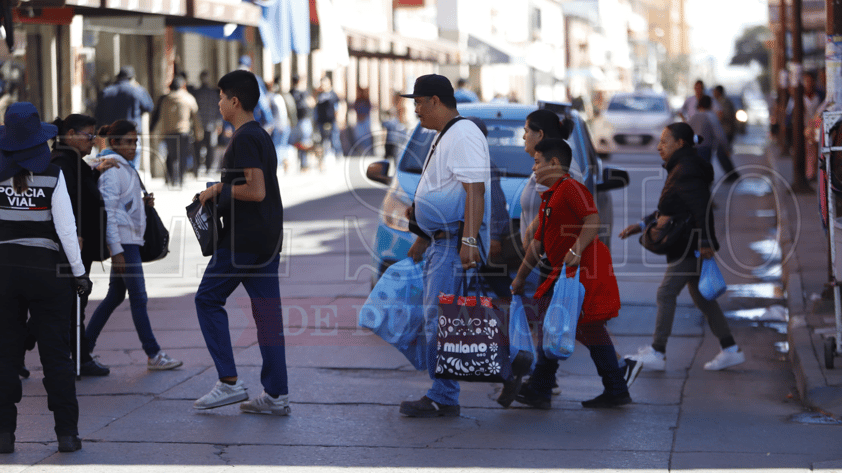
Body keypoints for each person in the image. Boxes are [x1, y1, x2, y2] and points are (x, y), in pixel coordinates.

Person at [192, 70, 290, 416]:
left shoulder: (245, 139)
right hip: (265, 238)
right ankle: (276, 395)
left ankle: (229, 382)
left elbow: (256, 190)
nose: (217, 103)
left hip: (244, 240)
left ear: (235, 101)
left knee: (207, 299)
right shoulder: (259, 135)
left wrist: (217, 190)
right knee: (267, 315)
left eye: (220, 97)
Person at [509, 138, 629, 409]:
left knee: (561, 326)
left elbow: (593, 220)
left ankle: (542, 387)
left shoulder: (570, 188)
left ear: (554, 163)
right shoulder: (549, 196)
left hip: (579, 274)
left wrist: (576, 248)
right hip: (562, 274)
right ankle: (614, 387)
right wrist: (519, 278)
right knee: (570, 327)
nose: (534, 168)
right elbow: (538, 244)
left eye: (537, 162)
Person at [0, 102, 92, 453]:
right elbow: (67, 232)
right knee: (57, 355)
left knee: (4, 355)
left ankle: (4, 434)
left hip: (4, 271)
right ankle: (67, 434)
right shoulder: (54, 176)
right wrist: (80, 275)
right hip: (47, 273)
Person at [398, 74, 491, 418]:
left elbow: (474, 191)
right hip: (440, 242)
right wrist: (423, 233)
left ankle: (444, 394)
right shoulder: (446, 134)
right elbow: (446, 190)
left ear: (436, 101)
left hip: (453, 243)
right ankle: (511, 367)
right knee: (442, 320)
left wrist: (468, 240)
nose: (416, 110)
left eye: (419, 103)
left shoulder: (463, 133)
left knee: (443, 321)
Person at [620, 123, 745, 372]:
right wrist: (642, 223)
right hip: (690, 243)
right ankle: (730, 349)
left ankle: (658, 352)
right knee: (702, 299)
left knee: (666, 293)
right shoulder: (681, 167)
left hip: (689, 245)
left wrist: (705, 242)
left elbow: (702, 207)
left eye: (665, 141)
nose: (659, 147)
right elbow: (673, 206)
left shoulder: (685, 169)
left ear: (681, 144)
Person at [85, 120, 182, 371]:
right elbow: (109, 213)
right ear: (114, 143)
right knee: (138, 297)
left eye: (136, 142)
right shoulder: (112, 168)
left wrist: (141, 204)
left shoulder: (124, 166)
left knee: (115, 296)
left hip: (129, 241)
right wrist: (116, 250)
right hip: (124, 243)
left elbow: (121, 206)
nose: (134, 147)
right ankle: (153, 353)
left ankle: (83, 350)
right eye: (128, 142)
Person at [51, 113, 119, 377]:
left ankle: (78, 358)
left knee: (72, 302)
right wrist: (75, 233)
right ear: (70, 136)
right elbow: (68, 202)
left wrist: (95, 169)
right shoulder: (63, 162)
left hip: (80, 245)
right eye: (88, 136)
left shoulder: (72, 161)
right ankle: (78, 360)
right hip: (73, 246)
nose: (92, 141)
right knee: (72, 303)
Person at [94, 66, 154, 169]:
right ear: (132, 78)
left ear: (118, 78)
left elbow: (98, 114)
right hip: (131, 134)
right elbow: (149, 106)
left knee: (113, 163)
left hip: (112, 135)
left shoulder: (106, 92)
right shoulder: (137, 90)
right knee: (132, 164)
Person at [156, 75, 203, 186]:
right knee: (182, 155)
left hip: (169, 132)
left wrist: (161, 133)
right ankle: (180, 178)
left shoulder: (166, 99)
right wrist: (198, 132)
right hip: (183, 131)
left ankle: (172, 177)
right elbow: (196, 117)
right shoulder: (188, 98)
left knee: (171, 155)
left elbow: (162, 117)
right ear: (183, 85)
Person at [687, 95, 739, 182]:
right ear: (710, 105)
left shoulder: (694, 116)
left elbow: (686, 131)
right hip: (705, 148)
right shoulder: (711, 116)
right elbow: (720, 135)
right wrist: (726, 148)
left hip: (693, 148)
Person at [787, 71, 822, 181]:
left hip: (816, 125)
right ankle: (809, 173)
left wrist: (814, 125)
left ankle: (814, 173)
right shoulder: (798, 97)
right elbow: (790, 113)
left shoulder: (819, 95)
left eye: (810, 81)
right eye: (806, 81)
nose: (808, 83)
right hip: (803, 127)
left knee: (815, 149)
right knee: (807, 150)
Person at [192, 70, 223, 174]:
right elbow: (219, 109)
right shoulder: (213, 93)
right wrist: (219, 123)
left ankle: (199, 168)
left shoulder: (197, 93)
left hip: (200, 126)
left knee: (199, 147)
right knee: (209, 148)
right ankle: (208, 169)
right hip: (208, 125)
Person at [289, 74, 314, 171]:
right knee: (304, 142)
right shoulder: (304, 93)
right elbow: (311, 103)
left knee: (299, 142)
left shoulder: (291, 92)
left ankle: (302, 163)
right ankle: (304, 163)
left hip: (296, 120)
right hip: (303, 119)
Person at [315, 75, 342, 163]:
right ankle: (324, 157)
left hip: (331, 120)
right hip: (321, 121)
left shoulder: (333, 94)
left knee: (334, 139)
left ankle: (338, 156)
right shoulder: (320, 95)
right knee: (322, 140)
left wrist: (339, 119)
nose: (323, 85)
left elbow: (338, 107)